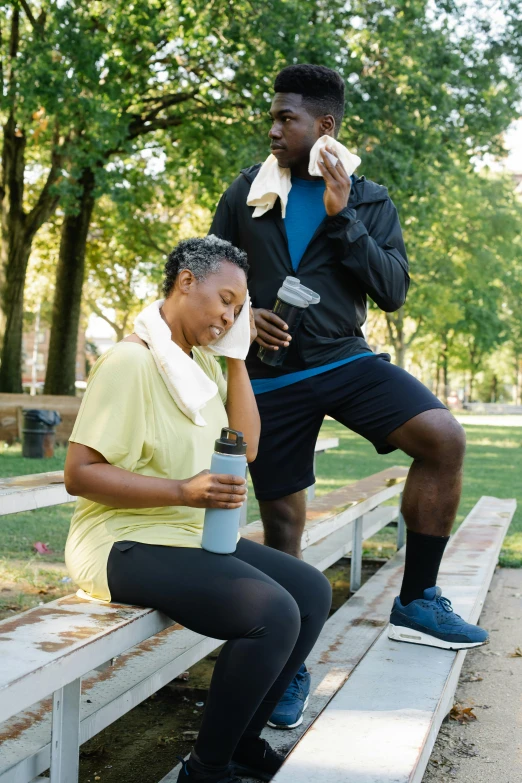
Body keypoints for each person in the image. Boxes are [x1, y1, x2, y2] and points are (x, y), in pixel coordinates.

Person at [210, 63, 488, 730]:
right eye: (272, 116)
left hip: (346, 360)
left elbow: (393, 289)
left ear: (324, 126)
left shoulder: (368, 197)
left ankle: (418, 595)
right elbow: (204, 276)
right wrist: (243, 316)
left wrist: (343, 221)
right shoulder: (246, 191)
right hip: (270, 376)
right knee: (284, 522)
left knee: (444, 438)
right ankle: (288, 662)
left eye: (287, 118)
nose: (273, 128)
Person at [64, 236, 332, 783]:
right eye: (224, 300)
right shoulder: (131, 362)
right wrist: (183, 492)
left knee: (310, 592)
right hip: (120, 540)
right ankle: (207, 771)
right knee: (271, 612)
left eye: (238, 307)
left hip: (188, 533)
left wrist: (236, 357)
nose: (231, 314)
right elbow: (80, 474)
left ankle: (240, 744)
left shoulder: (204, 366)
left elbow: (247, 446)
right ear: (187, 280)